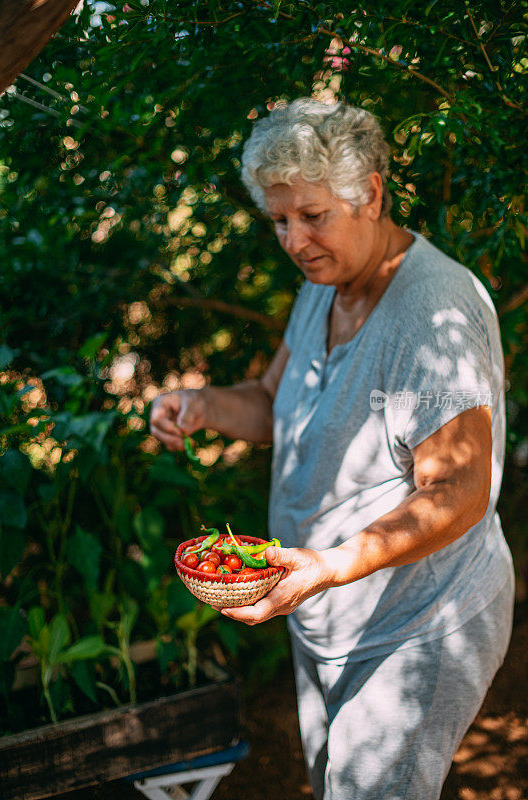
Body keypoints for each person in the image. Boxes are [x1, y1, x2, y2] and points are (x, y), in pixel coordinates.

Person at [150, 99, 515, 800]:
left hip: (418, 623)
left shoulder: (433, 313)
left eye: (312, 216)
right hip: (325, 608)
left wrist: (328, 564)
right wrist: (201, 406)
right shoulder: (322, 284)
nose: (293, 240)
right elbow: (271, 402)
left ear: (371, 194)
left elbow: (458, 493)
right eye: (280, 220)